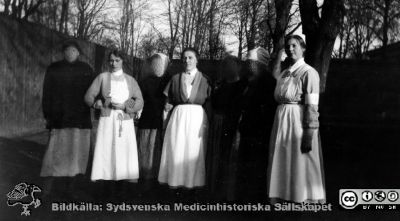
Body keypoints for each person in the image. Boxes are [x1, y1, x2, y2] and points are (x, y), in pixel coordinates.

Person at [267, 35, 325, 203]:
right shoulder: (285, 73)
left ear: (303, 48)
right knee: (282, 159)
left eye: (294, 46)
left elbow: (312, 107)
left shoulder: (309, 73)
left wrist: (308, 133)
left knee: (299, 161)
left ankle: (300, 199)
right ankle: (283, 196)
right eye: (288, 46)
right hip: (282, 121)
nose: (290, 49)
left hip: (298, 123)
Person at [40, 40, 95, 197]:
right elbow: (47, 93)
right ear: (63, 52)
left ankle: (70, 188)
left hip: (79, 120)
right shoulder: (54, 68)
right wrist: (47, 114)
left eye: (73, 50)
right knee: (53, 153)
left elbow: (93, 92)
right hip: (59, 119)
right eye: (67, 50)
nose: (70, 53)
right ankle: (47, 188)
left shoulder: (86, 69)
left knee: (75, 154)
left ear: (78, 53)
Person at [84, 50, 143, 189]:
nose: (114, 63)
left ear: (122, 62)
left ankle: (121, 186)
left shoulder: (130, 80)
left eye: (117, 60)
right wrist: (96, 103)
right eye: (111, 60)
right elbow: (88, 96)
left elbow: (139, 100)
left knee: (123, 151)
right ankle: (106, 184)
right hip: (108, 119)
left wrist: (127, 106)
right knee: (106, 150)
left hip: (124, 119)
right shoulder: (103, 77)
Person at [158, 48, 212, 191]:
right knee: (177, 148)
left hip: (197, 118)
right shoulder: (175, 78)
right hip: (179, 117)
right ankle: (175, 183)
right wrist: (167, 105)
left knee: (193, 151)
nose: (187, 61)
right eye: (184, 58)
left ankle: (192, 185)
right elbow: (168, 99)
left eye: (190, 58)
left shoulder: (205, 79)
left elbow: (209, 102)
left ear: (196, 60)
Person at [235, 47, 277, 202]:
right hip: (247, 129)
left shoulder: (269, 82)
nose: (248, 65)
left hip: (259, 132)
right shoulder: (247, 81)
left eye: (251, 62)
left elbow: (268, 110)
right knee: (244, 166)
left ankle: (255, 202)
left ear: (260, 64)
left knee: (256, 167)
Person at [207, 55, 245, 201]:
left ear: (238, 67)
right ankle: (214, 191)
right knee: (216, 156)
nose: (228, 68)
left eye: (231, 65)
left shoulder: (242, 85)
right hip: (217, 124)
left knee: (229, 158)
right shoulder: (219, 84)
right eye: (225, 65)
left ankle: (229, 194)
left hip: (233, 125)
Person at [137, 53, 170, 189]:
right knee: (144, 149)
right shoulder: (144, 82)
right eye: (155, 64)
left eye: (160, 64)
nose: (157, 67)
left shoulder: (168, 81)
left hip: (160, 121)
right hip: (146, 120)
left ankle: (156, 179)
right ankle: (143, 177)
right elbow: (136, 99)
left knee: (157, 150)